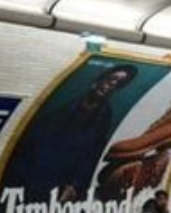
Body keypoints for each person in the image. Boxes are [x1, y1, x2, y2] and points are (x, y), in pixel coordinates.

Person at [6, 63, 138, 203]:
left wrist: (74, 185)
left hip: (57, 181)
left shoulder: (104, 117)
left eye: (118, 83)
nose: (111, 85)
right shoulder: (64, 104)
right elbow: (33, 139)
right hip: (31, 172)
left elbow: (92, 155)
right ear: (99, 80)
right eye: (111, 79)